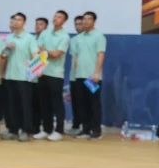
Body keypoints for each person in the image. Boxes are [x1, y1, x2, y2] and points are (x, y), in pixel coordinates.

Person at [1, 12, 39, 142]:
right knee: (11, 105)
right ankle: (13, 129)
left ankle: (26, 130)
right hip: (10, 76)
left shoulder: (30, 38)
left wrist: (36, 72)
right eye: (14, 20)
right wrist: (6, 47)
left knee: (25, 105)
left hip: (25, 77)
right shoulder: (8, 37)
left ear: (24, 22)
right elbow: (3, 56)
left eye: (19, 20)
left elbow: (36, 55)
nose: (16, 22)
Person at [69, 11, 107, 139]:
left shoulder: (99, 36)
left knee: (94, 104)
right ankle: (85, 130)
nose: (85, 21)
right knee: (82, 104)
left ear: (94, 21)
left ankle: (96, 130)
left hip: (92, 77)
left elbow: (100, 55)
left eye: (89, 19)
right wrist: (74, 75)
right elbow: (75, 58)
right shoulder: (78, 38)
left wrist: (96, 73)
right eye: (84, 19)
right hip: (79, 76)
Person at [37, 10, 70, 141]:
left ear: (64, 21)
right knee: (44, 103)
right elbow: (38, 50)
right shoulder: (45, 33)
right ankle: (47, 129)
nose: (56, 18)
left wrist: (45, 51)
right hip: (42, 72)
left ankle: (59, 130)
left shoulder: (64, 37)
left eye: (59, 17)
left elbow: (56, 54)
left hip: (56, 74)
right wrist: (45, 53)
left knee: (57, 103)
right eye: (55, 16)